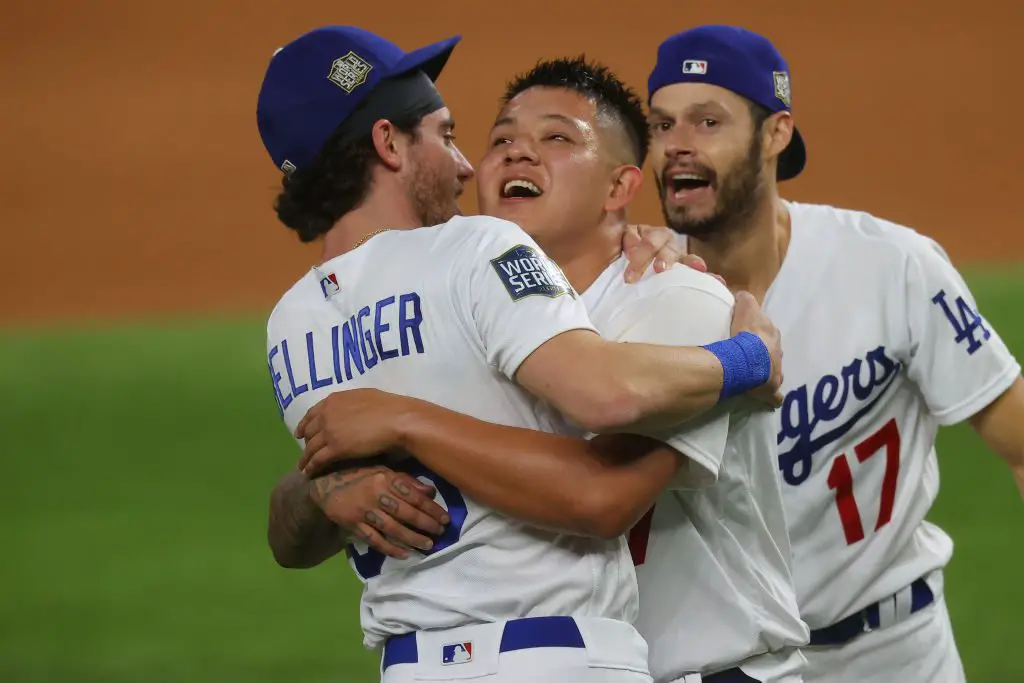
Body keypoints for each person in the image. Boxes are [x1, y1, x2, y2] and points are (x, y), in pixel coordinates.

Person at [256, 25, 785, 683]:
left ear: (619, 186)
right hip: (554, 655)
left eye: (556, 139)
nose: (474, 164)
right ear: (388, 144)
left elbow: (294, 527)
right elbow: (600, 465)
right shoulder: (471, 255)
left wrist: (342, 465)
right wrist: (749, 358)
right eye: (456, 136)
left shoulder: (293, 323)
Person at [641, 24, 1024, 683]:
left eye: (708, 121)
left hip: (897, 654)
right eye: (661, 123)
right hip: (727, 666)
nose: (677, 145)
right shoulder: (630, 300)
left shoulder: (890, 266)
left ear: (776, 133)